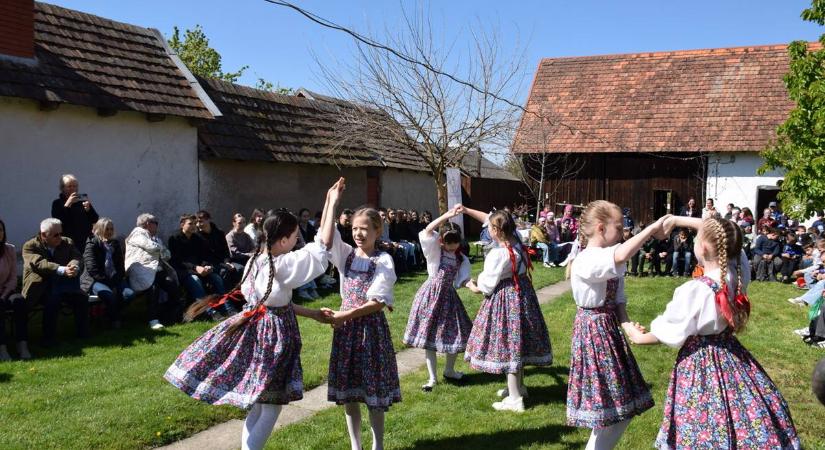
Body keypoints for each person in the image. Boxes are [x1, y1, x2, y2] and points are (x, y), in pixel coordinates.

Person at [165, 179, 341, 450]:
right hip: (275, 339)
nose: (297, 241)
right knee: (270, 406)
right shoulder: (283, 264)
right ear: (283, 240)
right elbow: (322, 246)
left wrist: (313, 313)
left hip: (259, 331)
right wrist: (331, 203)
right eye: (294, 237)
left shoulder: (257, 260)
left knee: (260, 406)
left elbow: (274, 302)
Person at [626, 216, 800, 449]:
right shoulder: (736, 274)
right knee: (738, 408)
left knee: (702, 416)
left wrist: (638, 336)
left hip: (700, 362)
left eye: (698, 236)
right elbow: (732, 240)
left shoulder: (696, 289)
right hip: (730, 355)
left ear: (704, 247)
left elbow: (671, 330)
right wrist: (680, 220)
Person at [564, 200, 660, 449]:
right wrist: (651, 229)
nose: (623, 231)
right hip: (594, 332)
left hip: (608, 331)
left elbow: (618, 300)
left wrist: (627, 325)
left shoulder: (611, 258)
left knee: (615, 410)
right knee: (611, 410)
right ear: (600, 228)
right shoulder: (587, 259)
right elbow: (621, 254)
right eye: (618, 226)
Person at [321, 205, 400, 450]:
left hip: (369, 331)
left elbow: (377, 302)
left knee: (372, 393)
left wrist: (347, 314)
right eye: (355, 228)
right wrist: (332, 201)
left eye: (364, 229)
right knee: (349, 393)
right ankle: (356, 446)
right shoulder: (347, 254)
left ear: (378, 231)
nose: (358, 233)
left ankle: (377, 446)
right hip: (347, 332)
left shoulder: (383, 260)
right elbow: (326, 235)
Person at [462, 207, 553, 413]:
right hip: (522, 295)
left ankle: (514, 399)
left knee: (509, 346)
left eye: (491, 228)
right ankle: (519, 388)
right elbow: (494, 219)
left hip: (506, 299)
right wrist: (467, 210)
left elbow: (487, 285)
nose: (489, 231)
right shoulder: (518, 243)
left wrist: (472, 285)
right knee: (517, 343)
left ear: (497, 230)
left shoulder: (498, 253)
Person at [402, 207, 473, 392]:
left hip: (448, 299)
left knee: (455, 334)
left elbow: (463, 279)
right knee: (429, 337)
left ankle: (449, 370)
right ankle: (432, 377)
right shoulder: (435, 252)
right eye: (449, 242)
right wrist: (447, 216)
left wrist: (473, 286)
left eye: (456, 242)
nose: (453, 246)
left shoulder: (461, 259)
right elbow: (427, 231)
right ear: (442, 241)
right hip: (430, 297)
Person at [23, 218, 89, 346]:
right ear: (43, 235)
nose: (60, 237)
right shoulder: (30, 246)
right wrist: (61, 269)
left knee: (81, 297)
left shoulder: (67, 242)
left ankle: (83, 335)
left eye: (61, 233)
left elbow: (77, 257)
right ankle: (49, 339)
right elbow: (38, 264)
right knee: (52, 299)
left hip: (64, 285)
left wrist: (74, 266)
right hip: (40, 287)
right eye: (55, 235)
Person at [125, 213, 182, 330]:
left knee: (172, 286)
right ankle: (153, 320)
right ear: (148, 224)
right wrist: (160, 250)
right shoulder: (137, 234)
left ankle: (169, 315)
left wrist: (159, 250)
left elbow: (167, 255)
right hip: (141, 272)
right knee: (153, 289)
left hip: (156, 271)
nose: (157, 226)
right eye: (156, 223)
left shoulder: (156, 239)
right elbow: (152, 247)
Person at [168, 214, 228, 318]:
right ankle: (209, 311)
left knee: (216, 278)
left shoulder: (197, 238)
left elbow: (204, 256)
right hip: (184, 271)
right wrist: (195, 268)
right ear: (182, 224)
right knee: (195, 280)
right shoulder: (174, 238)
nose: (194, 226)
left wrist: (206, 266)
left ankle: (226, 306)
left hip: (199, 268)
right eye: (190, 224)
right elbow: (178, 260)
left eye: (195, 224)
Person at [80, 218, 134, 329]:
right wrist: (108, 282)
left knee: (129, 294)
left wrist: (116, 279)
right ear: (99, 229)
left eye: (111, 229)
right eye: (106, 229)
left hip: (113, 277)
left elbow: (120, 266)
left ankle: (110, 314)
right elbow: (92, 269)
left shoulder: (115, 244)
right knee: (109, 295)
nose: (109, 232)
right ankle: (115, 319)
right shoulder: (92, 244)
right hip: (94, 280)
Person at [0, 219, 29, 360]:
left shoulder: (9, 249)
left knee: (20, 301)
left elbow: (12, 278)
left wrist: (4, 294)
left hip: (6, 290)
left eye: (1, 230)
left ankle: (22, 344)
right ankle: (2, 348)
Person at [51, 174, 99, 251]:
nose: (73, 188)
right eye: (69, 186)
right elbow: (57, 222)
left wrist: (89, 210)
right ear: (62, 188)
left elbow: (95, 219)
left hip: (85, 242)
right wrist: (67, 205)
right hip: (67, 243)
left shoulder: (81, 201)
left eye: (75, 186)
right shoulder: (57, 203)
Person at [196, 210, 239, 289]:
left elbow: (225, 250)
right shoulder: (197, 236)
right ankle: (226, 297)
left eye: (201, 221)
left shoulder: (219, 233)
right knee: (224, 271)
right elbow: (201, 256)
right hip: (209, 265)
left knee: (239, 269)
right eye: (197, 222)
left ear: (208, 220)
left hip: (222, 261)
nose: (198, 225)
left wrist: (227, 262)